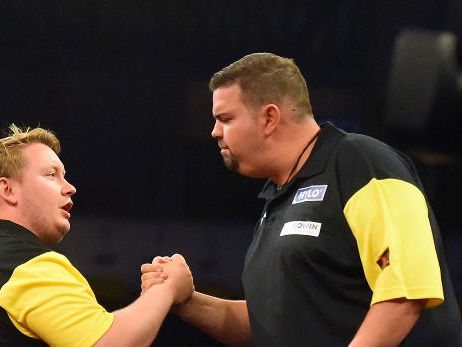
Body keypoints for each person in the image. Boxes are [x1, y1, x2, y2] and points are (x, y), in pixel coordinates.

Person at [141, 53, 462, 346]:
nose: (214, 132)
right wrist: (189, 302)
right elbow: (272, 327)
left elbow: (406, 291)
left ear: (269, 118)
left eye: (225, 119)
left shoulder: (361, 162)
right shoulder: (278, 200)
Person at [0, 124, 194, 347]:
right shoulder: (24, 265)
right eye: (52, 175)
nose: (70, 188)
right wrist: (167, 288)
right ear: (7, 190)